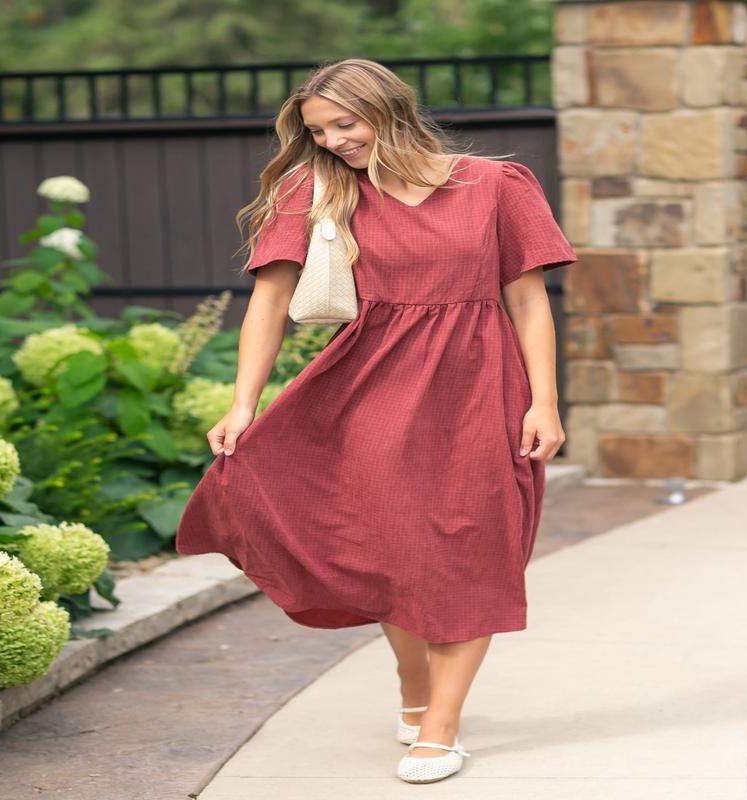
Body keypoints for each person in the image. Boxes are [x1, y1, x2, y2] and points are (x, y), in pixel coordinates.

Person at [175, 57, 577, 784]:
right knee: (396, 548)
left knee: (473, 549)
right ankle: (413, 682)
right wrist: (244, 402)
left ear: (389, 109)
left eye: (344, 125)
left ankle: (442, 729)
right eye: (318, 131)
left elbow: (527, 302)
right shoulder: (319, 188)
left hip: (482, 387)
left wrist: (543, 401)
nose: (331, 142)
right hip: (370, 392)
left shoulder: (495, 186)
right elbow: (269, 300)